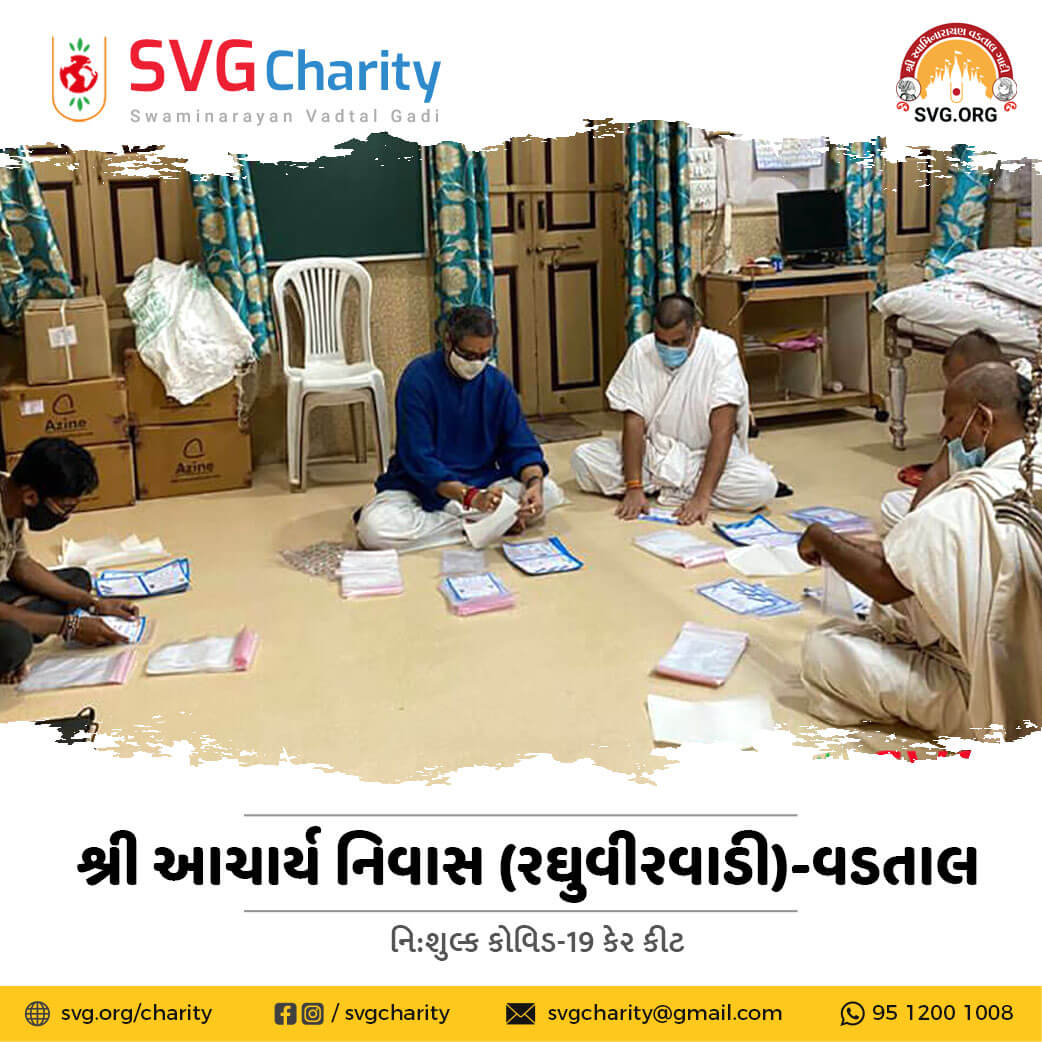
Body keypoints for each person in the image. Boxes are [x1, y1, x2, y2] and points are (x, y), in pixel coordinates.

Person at [800, 363, 1042, 738]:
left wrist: (821, 537)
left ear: (982, 420)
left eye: (951, 418)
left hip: (1009, 704)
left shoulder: (962, 505)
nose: (944, 431)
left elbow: (885, 584)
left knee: (824, 652)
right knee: (905, 600)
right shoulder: (1028, 462)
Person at [356, 305, 564, 551]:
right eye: (468, 355)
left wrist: (534, 487)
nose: (475, 363)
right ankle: (480, 526)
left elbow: (522, 448)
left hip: (480, 484)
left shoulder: (497, 384)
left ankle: (482, 521)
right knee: (374, 530)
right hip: (421, 487)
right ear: (448, 342)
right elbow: (418, 458)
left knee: (550, 491)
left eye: (483, 356)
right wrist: (469, 497)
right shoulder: (418, 378)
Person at [570, 293, 785, 525]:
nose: (668, 349)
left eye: (678, 342)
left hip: (702, 457)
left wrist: (702, 497)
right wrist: (633, 487)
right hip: (654, 456)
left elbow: (723, 430)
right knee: (584, 459)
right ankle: (672, 487)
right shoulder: (640, 351)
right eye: (661, 342)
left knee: (763, 485)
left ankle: (671, 487)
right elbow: (633, 423)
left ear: (696, 329)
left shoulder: (721, 350)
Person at [1, 438, 140, 685]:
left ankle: (24, 618)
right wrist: (69, 626)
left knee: (78, 579)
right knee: (13, 643)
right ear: (31, 497)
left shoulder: (11, 491)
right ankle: (22, 624)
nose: (66, 516)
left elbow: (20, 566)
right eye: (64, 508)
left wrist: (93, 604)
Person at [880, 329, 1031, 531]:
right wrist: (913, 523)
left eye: (962, 382)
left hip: (1008, 497)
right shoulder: (968, 412)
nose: (944, 431)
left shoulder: (1027, 397)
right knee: (894, 504)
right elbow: (940, 470)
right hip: (974, 493)